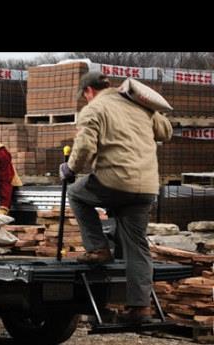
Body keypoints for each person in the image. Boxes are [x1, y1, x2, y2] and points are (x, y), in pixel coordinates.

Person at [59, 71, 173, 323]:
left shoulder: (94, 108)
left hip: (114, 182)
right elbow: (166, 132)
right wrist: (150, 108)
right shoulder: (138, 105)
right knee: (137, 244)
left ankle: (98, 249)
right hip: (145, 187)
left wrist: (70, 170)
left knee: (78, 193)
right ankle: (140, 308)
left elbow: (86, 148)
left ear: (88, 91)